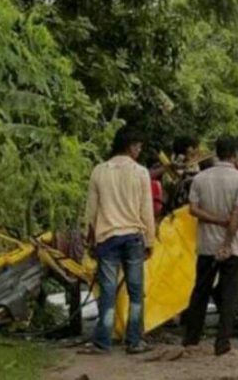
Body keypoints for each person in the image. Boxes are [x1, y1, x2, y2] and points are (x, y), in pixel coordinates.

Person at [83, 126, 155, 354]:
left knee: (108, 292)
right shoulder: (141, 172)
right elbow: (147, 211)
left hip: (107, 239)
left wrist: (90, 240)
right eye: (139, 146)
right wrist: (150, 241)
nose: (140, 150)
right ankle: (134, 341)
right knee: (135, 292)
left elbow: (91, 212)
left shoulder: (99, 171)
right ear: (131, 146)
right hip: (134, 238)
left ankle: (103, 342)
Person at [183, 136, 238, 356]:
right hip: (233, 247)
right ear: (236, 154)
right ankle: (222, 345)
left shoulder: (200, 178)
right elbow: (237, 215)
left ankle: (191, 340)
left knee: (200, 291)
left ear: (216, 152)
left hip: (206, 245)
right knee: (229, 295)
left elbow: (193, 209)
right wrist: (227, 243)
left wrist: (214, 220)